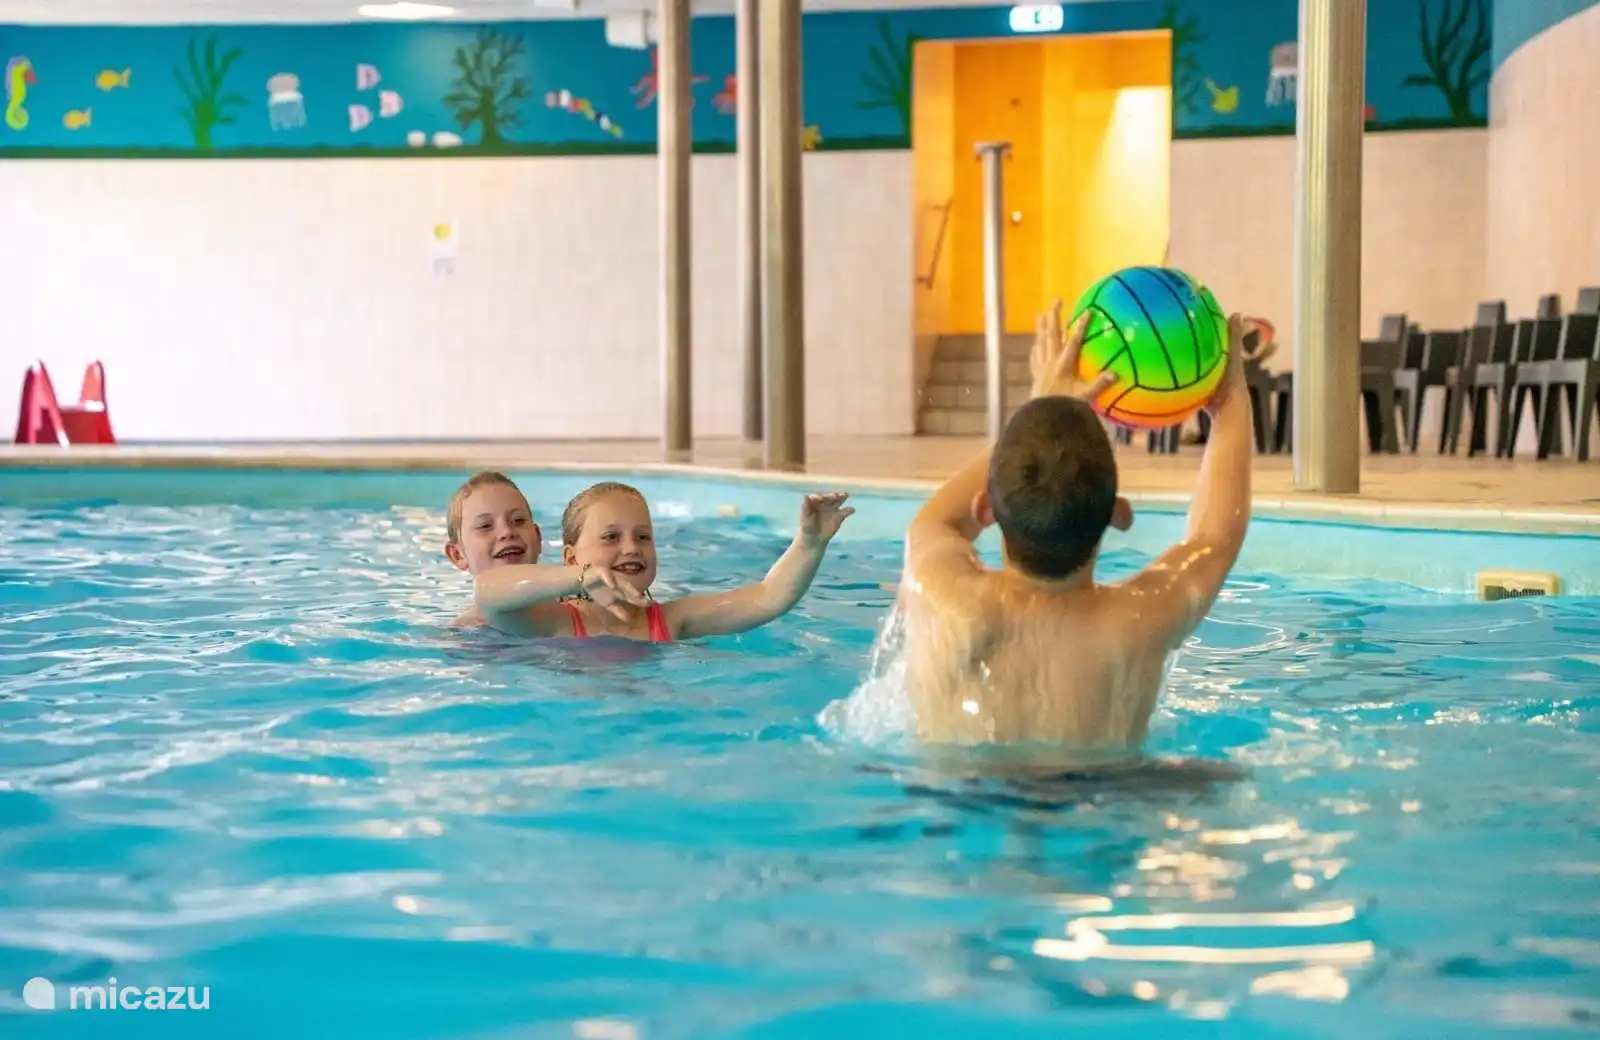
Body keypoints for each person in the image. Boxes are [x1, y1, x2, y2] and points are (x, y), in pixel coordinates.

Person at [895, 298, 1255, 764]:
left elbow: (939, 520)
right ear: (1119, 515)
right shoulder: (1140, 620)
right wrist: (1229, 400)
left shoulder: (939, 593)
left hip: (958, 805)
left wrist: (1045, 405)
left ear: (985, 507)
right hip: (1105, 806)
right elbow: (1214, 539)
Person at [471, 481, 855, 641]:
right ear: (571, 555)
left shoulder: (671, 621)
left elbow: (769, 597)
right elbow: (488, 594)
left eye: (643, 537)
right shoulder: (554, 622)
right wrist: (579, 578)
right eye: (610, 537)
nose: (631, 548)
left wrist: (810, 541)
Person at [442, 471, 542, 628]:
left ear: (538, 538)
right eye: (485, 526)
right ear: (457, 555)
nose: (507, 532)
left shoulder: (572, 609)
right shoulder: (462, 634)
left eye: (518, 520)